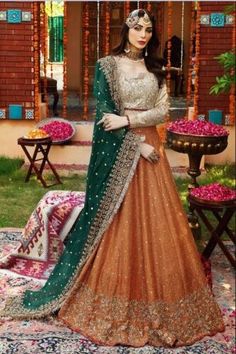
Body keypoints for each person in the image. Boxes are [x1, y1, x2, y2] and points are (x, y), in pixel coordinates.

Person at [1, 9, 224, 348]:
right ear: (126, 30)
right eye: (137, 27)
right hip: (129, 153)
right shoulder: (107, 66)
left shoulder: (156, 68)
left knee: (157, 225)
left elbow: (163, 111)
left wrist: (130, 123)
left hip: (152, 153)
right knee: (119, 224)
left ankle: (158, 297)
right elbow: (106, 118)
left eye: (148, 29)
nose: (143, 34)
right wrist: (137, 145)